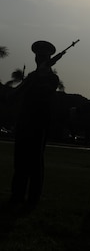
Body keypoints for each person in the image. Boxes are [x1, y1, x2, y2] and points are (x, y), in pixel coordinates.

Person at [9, 41, 59, 207]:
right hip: (24, 121)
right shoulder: (32, 76)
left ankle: (33, 198)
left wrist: (40, 75)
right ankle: (17, 195)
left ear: (49, 58)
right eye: (38, 56)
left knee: (35, 162)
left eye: (43, 56)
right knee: (20, 161)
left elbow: (44, 93)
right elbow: (17, 94)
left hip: (39, 123)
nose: (40, 58)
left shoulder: (52, 78)